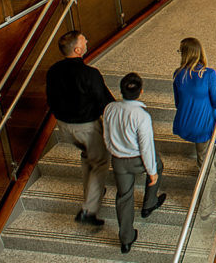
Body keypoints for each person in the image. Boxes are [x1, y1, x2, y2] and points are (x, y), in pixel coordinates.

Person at [45, 30, 114, 227]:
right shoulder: (89, 74)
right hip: (86, 127)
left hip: (64, 127)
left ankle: (93, 191)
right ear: (77, 49)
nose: (87, 42)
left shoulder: (53, 71)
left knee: (87, 156)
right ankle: (88, 211)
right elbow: (105, 103)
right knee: (99, 162)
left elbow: (50, 99)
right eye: (85, 41)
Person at [104, 73, 167, 254]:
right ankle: (149, 203)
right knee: (158, 166)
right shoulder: (142, 116)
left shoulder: (110, 108)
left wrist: (113, 151)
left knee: (124, 196)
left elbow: (106, 136)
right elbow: (146, 147)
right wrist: (152, 171)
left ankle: (126, 239)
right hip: (137, 159)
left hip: (118, 160)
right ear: (141, 91)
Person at [171, 37, 216, 217]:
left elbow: (178, 103)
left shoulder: (178, 74)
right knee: (207, 166)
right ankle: (205, 205)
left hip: (185, 124)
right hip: (202, 128)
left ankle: (203, 161)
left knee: (202, 153)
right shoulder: (209, 74)